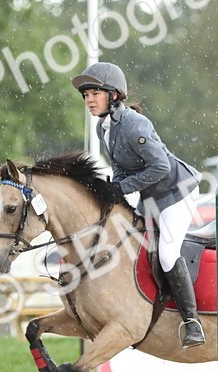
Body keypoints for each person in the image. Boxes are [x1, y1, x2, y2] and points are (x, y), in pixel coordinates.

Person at [71, 61, 206, 349]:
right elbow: (121, 169)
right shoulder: (103, 129)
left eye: (95, 93)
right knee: (136, 246)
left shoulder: (134, 124)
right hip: (151, 196)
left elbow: (159, 167)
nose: (89, 100)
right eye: (86, 96)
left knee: (167, 253)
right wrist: (113, 194)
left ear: (114, 95)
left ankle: (191, 321)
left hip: (176, 191)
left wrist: (121, 188)